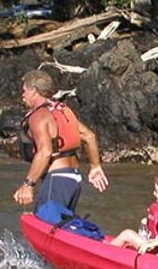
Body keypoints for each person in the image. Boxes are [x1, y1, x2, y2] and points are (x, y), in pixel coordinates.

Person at [13, 69, 109, 213]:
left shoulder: (39, 116)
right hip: (73, 179)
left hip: (56, 180)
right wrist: (95, 167)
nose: (23, 95)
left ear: (33, 91)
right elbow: (89, 136)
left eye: (24, 91)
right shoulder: (63, 110)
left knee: (46, 227)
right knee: (60, 228)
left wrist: (28, 185)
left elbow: (45, 151)